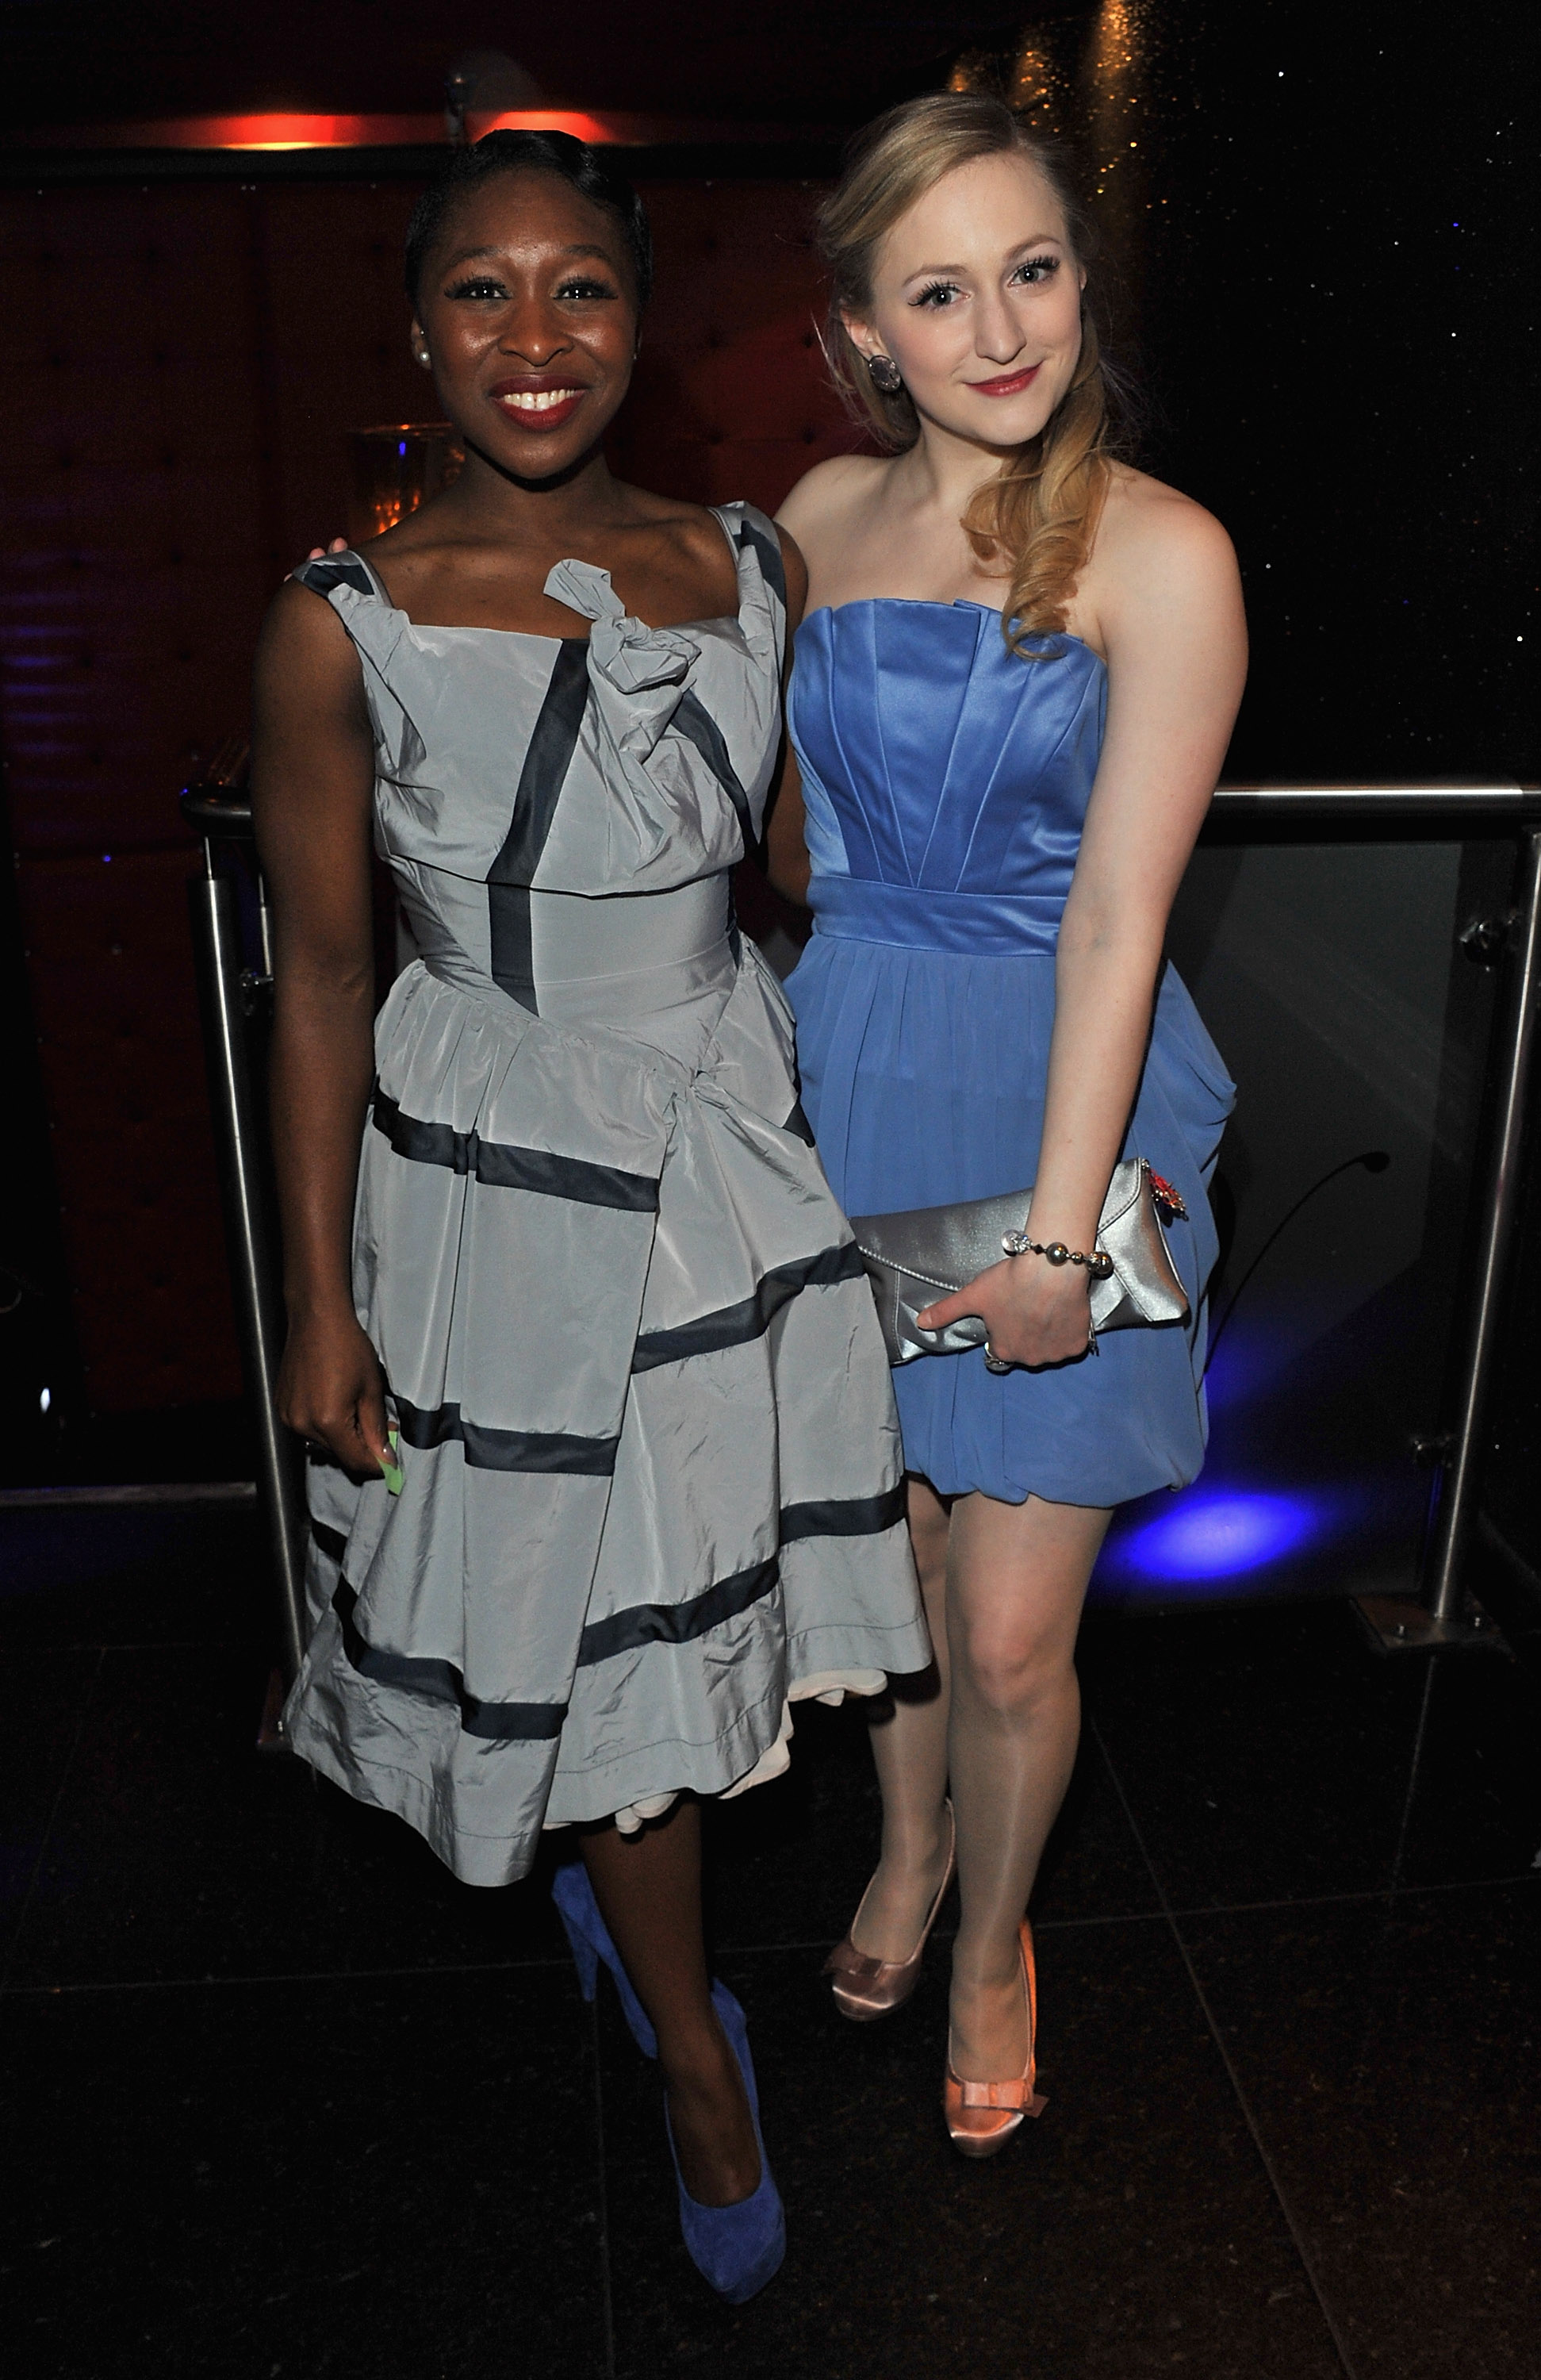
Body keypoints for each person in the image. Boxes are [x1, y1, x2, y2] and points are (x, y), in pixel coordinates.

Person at [251, 129, 930, 2298]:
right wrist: (317, 1306)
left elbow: (806, 880)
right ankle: (698, 2065)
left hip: (724, 1158)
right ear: (417, 329)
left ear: (643, 321)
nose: (533, 341)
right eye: (479, 291)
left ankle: (632, 1938)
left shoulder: (750, 563)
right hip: (500, 1184)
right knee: (614, 1626)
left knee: (677, 1616)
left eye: (582, 291)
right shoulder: (333, 627)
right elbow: (330, 979)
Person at [771, 94, 1246, 2156]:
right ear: (865, 328)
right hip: (849, 1068)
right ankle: (900, 1854)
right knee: (889, 1578)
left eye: (1034, 268)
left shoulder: (1163, 548)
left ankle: (991, 1932)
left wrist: (1063, 1245)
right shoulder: (809, 522)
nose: (1000, 329)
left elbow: (1125, 922)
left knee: (1013, 1623)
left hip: (1073, 1084)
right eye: (939, 290)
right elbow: (777, 835)